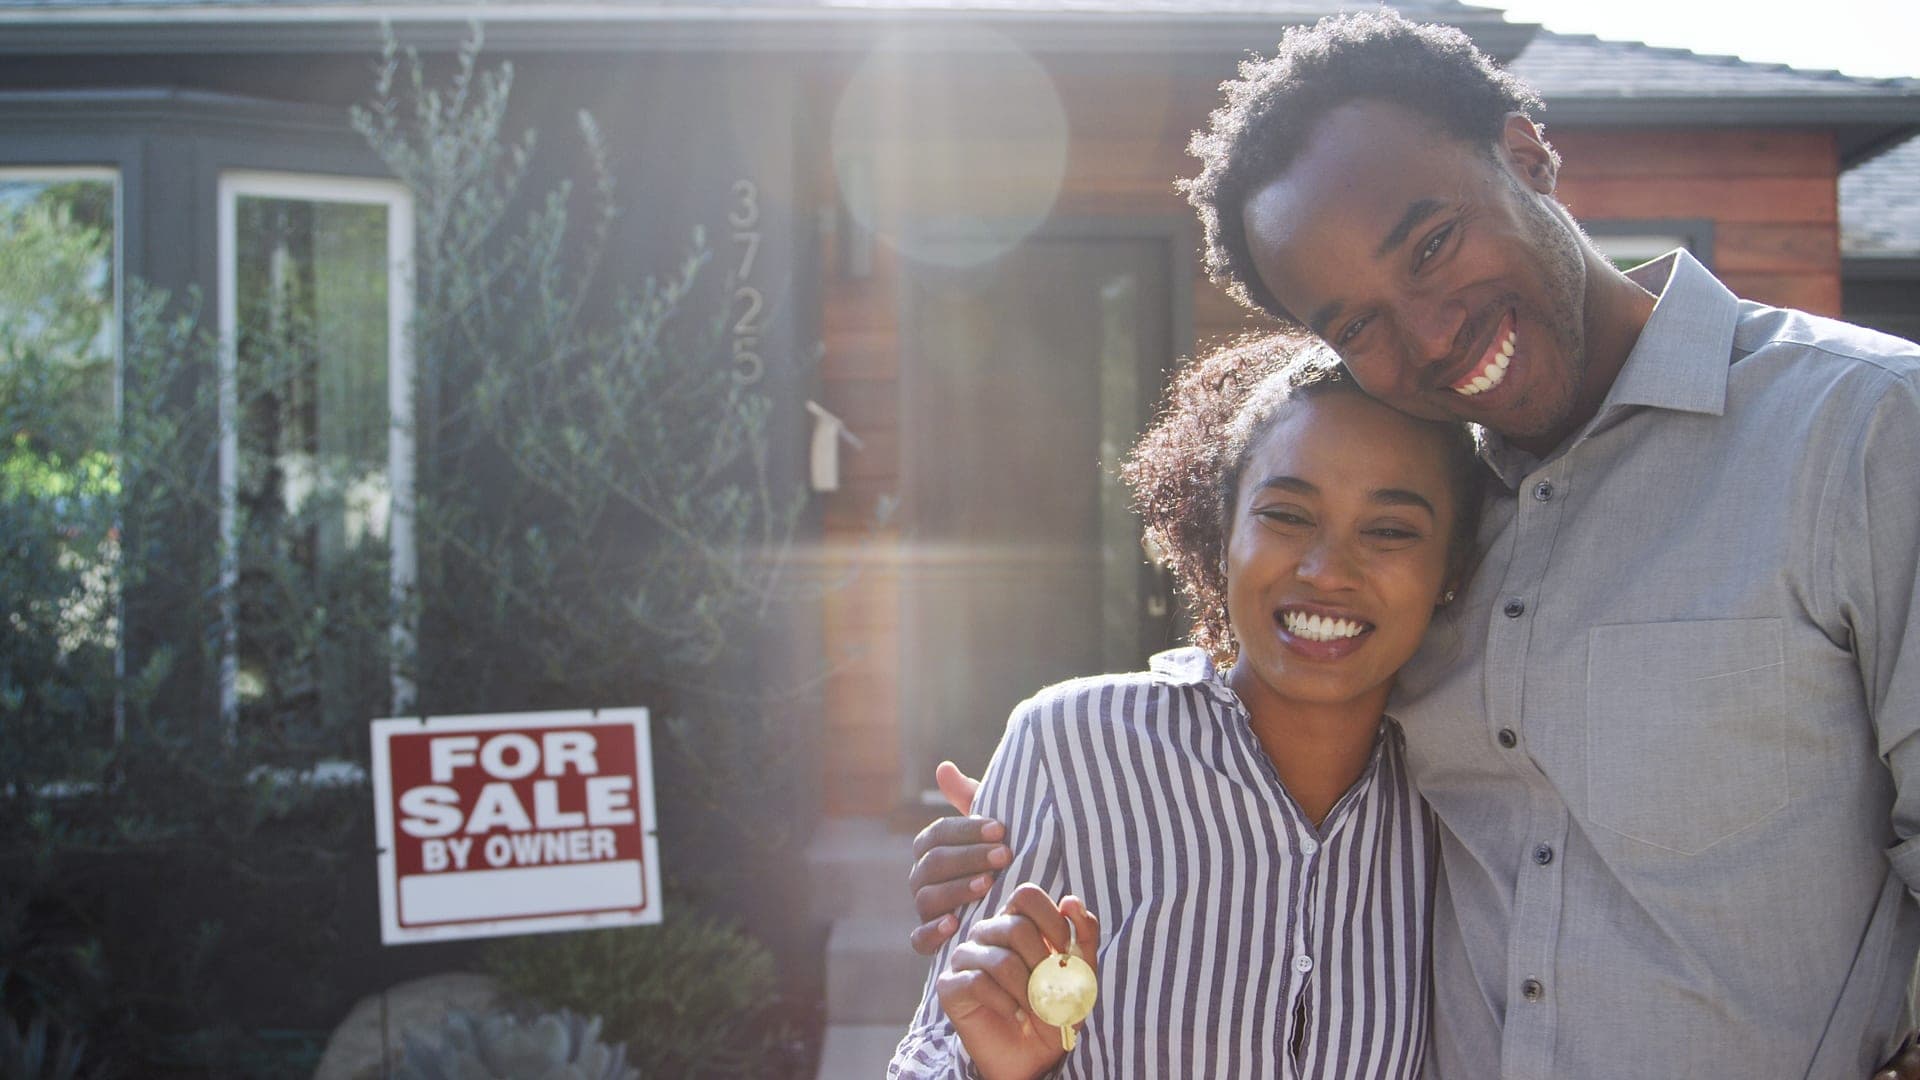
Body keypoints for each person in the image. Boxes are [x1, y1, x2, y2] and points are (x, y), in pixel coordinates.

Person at [908, 11, 1920, 1079]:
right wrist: (1049, 814)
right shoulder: (1437, 514)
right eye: (1356, 326)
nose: (1432, 335)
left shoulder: (1865, 432)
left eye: (1433, 244)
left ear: (1529, 156)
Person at [890, 335, 1484, 1078]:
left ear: (1452, 567)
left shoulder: (1471, 804)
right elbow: (932, 1051)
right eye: (1287, 515)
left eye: (1391, 530)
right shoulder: (1070, 747)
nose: (1327, 570)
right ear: (1221, 529)